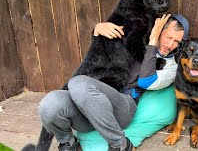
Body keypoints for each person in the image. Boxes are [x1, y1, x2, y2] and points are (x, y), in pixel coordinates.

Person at [38, 14, 189, 151]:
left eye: (177, 41)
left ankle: (120, 145)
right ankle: (68, 143)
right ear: (159, 30)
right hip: (90, 106)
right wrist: (97, 30)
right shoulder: (135, 38)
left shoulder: (172, 65)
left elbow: (145, 82)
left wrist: (153, 42)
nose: (170, 45)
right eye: (168, 37)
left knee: (78, 84)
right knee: (50, 103)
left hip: (123, 106)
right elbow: (102, 52)